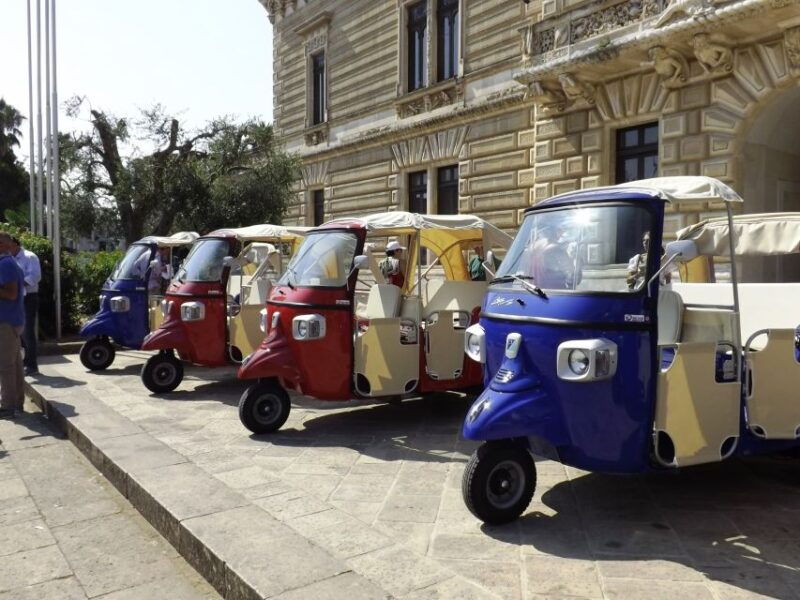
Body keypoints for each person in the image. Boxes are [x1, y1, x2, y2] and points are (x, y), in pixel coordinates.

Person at [0, 233, 26, 419]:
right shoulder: (10, 263)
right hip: (12, 320)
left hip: (6, 322)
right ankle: (17, 403)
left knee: (6, 365)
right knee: (15, 364)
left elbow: (11, 294)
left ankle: (8, 406)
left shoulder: (6, 264)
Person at [11, 237, 41, 375]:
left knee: (28, 331)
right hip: (15, 297)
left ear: (15, 244)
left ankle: (32, 365)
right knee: (18, 331)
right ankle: (24, 361)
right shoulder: (9, 259)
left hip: (28, 297)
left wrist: (18, 284)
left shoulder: (30, 257)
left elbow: (35, 276)